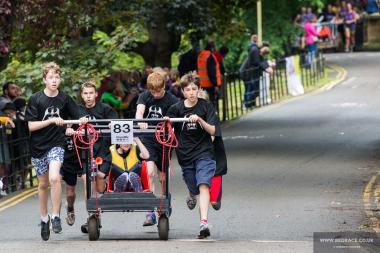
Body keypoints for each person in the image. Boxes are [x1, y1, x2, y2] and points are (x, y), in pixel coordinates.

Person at [24, 62, 87, 241]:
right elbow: (31, 125)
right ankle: (44, 219)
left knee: (55, 178)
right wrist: (52, 120)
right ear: (44, 79)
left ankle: (56, 216)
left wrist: (81, 120)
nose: (54, 80)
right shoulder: (36, 99)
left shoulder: (64, 98)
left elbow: (76, 116)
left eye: (57, 77)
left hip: (56, 144)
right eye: (51, 77)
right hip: (37, 147)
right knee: (43, 184)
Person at [60, 80, 118, 233]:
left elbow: (116, 124)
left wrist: (112, 124)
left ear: (96, 94)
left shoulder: (105, 109)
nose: (88, 96)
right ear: (81, 95)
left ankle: (95, 210)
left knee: (98, 183)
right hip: (83, 153)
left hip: (102, 152)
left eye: (91, 93)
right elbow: (68, 126)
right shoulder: (77, 110)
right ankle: (90, 215)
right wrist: (69, 130)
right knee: (84, 184)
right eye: (85, 93)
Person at [167, 71, 217, 239]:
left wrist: (200, 121)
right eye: (187, 90)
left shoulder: (206, 106)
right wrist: (168, 124)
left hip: (204, 152)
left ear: (199, 89)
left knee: (204, 185)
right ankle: (191, 193)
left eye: (194, 89)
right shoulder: (176, 109)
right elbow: (169, 130)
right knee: (194, 187)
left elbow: (213, 130)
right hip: (185, 155)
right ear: (183, 92)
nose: (191, 93)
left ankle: (204, 223)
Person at [135, 72, 179, 226]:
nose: (155, 94)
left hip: (163, 139)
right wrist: (140, 121)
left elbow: (176, 117)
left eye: (158, 91)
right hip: (147, 138)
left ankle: (166, 198)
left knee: (162, 177)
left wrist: (169, 122)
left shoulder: (172, 100)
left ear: (163, 87)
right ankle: (150, 211)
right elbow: (139, 111)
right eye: (152, 91)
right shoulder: (145, 96)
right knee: (149, 172)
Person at [197, 39, 222, 109]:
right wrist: (215, 85)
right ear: (212, 48)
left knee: (204, 105)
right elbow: (211, 72)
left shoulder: (201, 55)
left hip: (202, 84)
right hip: (210, 85)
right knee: (211, 105)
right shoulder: (210, 56)